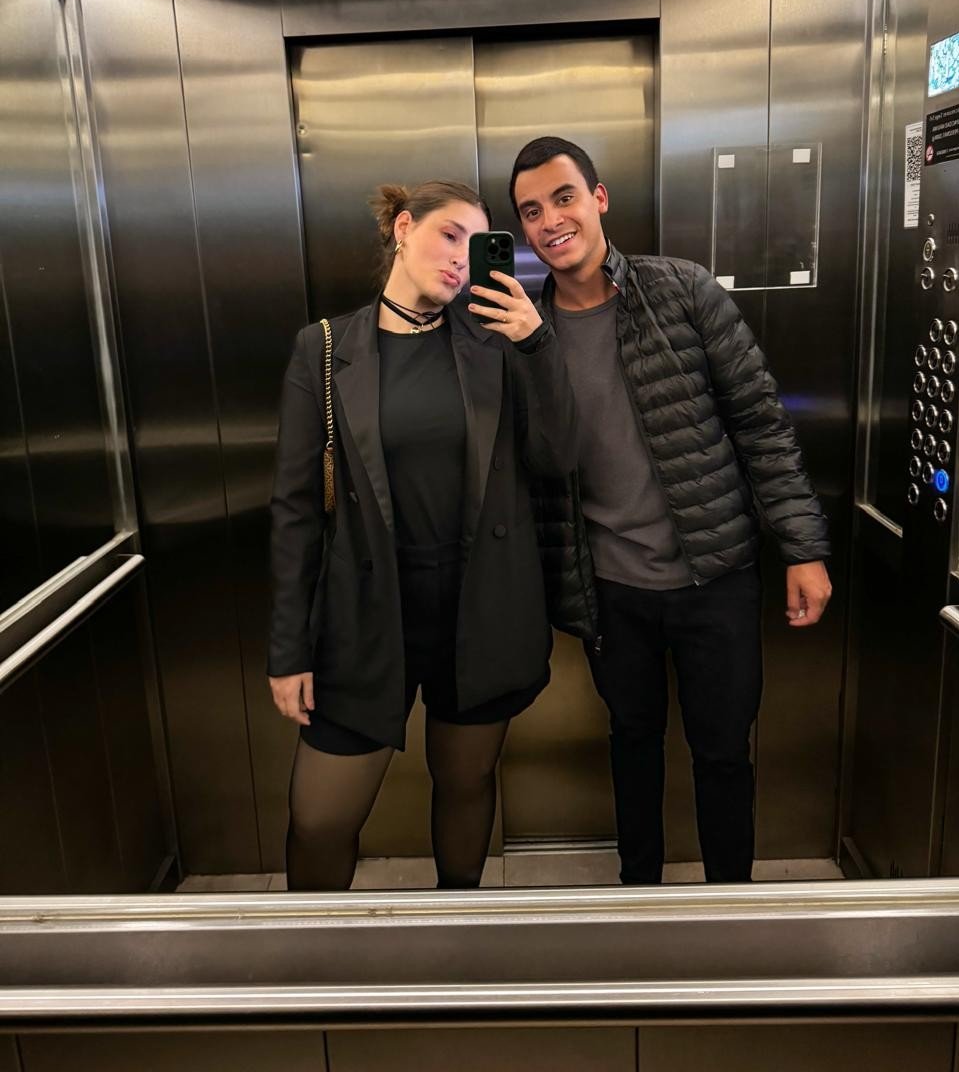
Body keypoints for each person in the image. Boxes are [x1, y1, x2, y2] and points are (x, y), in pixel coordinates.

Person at [509, 136, 832, 885]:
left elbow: (759, 422)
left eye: (563, 197)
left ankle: (730, 905)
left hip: (714, 575)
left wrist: (803, 547)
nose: (551, 221)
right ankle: (639, 895)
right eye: (531, 211)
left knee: (722, 752)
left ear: (599, 198)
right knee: (632, 741)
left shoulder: (681, 290)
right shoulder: (525, 331)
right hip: (609, 590)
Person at [268, 179, 577, 891]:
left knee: (466, 784)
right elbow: (294, 510)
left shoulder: (494, 343)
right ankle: (312, 952)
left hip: (479, 606)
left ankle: (460, 924)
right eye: (448, 235)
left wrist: (536, 344)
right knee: (318, 818)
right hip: (364, 610)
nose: (461, 258)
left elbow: (557, 457)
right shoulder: (325, 349)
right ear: (403, 229)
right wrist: (288, 650)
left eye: (475, 244)